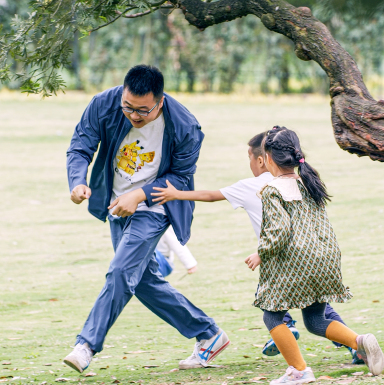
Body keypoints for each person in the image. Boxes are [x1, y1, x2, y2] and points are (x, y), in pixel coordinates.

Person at [62, 64, 229, 374]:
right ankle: (209, 334)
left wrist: (139, 195)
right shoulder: (104, 104)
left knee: (121, 272)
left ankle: (86, 345)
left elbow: (180, 178)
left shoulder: (184, 126)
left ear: (160, 101)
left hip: (156, 205)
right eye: (128, 107)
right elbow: (80, 145)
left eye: (142, 111)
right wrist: (77, 181)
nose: (134, 116)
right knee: (143, 282)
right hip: (115, 205)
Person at [152, 131, 363, 364]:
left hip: (282, 258)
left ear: (263, 160)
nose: (250, 164)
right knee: (317, 313)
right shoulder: (306, 180)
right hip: (315, 257)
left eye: (250, 158)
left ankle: (292, 344)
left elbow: (211, 195)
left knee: (271, 306)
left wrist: (176, 194)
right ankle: (357, 344)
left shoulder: (258, 187)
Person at [245, 126, 384, 384]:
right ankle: (360, 342)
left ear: (268, 159)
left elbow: (279, 230)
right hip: (325, 259)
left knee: (272, 315)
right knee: (314, 319)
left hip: (296, 262)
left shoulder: (272, 190)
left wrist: (261, 253)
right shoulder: (309, 183)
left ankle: (299, 371)